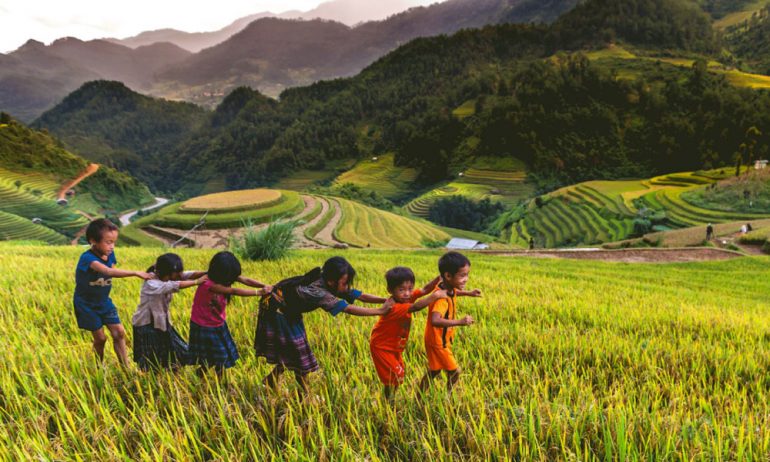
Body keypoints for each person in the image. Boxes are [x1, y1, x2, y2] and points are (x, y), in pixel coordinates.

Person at [254, 256, 389, 395]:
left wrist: (387, 300)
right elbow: (347, 309)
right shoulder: (317, 291)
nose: (347, 287)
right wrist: (380, 311)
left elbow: (360, 296)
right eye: (345, 283)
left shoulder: (331, 281)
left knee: (292, 351)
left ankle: (270, 381)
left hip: (288, 311)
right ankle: (306, 395)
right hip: (277, 311)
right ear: (331, 281)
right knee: (299, 354)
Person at [73, 219, 151, 367]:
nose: (112, 246)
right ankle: (97, 366)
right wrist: (135, 272)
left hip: (104, 301)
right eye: (108, 242)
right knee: (101, 339)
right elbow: (108, 271)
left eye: (114, 242)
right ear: (93, 241)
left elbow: (111, 268)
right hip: (86, 304)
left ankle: (126, 368)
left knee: (119, 333)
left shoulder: (110, 254)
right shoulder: (87, 258)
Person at [187, 251, 270, 378]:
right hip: (204, 326)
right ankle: (220, 382)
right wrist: (259, 292)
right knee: (220, 357)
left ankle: (202, 372)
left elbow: (246, 280)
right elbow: (234, 290)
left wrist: (266, 285)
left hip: (217, 323)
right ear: (221, 274)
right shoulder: (209, 284)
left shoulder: (224, 276)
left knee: (216, 355)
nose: (233, 279)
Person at [369, 270, 445, 400]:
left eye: (410, 288)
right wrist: (435, 296)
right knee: (395, 375)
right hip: (382, 346)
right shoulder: (394, 306)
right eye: (401, 290)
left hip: (394, 346)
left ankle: (389, 398)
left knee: (397, 375)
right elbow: (415, 307)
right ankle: (388, 401)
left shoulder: (406, 298)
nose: (407, 293)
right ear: (390, 290)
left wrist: (440, 277)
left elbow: (425, 289)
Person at [131, 253, 206, 371]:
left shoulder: (169, 276)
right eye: (178, 273)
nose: (180, 275)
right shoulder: (151, 282)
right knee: (151, 361)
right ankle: (153, 383)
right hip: (146, 326)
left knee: (178, 351)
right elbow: (172, 285)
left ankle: (171, 375)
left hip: (162, 323)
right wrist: (197, 282)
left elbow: (188, 275)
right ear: (167, 272)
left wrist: (208, 272)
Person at [420, 251, 477, 394]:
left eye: (467, 275)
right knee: (455, 371)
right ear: (448, 276)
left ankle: (419, 396)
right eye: (462, 275)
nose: (466, 279)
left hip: (436, 338)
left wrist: (469, 293)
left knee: (434, 371)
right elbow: (435, 320)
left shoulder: (446, 286)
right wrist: (460, 321)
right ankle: (448, 398)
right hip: (438, 342)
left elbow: (455, 292)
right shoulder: (441, 298)